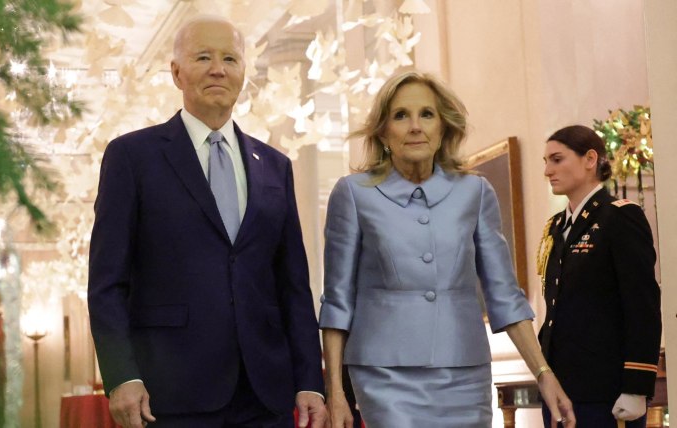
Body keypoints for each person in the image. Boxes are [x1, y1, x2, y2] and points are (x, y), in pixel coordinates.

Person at [88, 15, 326, 428]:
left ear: (243, 72)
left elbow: (293, 286)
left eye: (230, 59)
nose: (218, 69)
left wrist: (310, 381)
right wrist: (121, 374)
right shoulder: (133, 157)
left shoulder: (275, 166)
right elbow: (107, 283)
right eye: (203, 57)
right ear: (176, 73)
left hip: (265, 394)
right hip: (170, 392)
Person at [319, 70, 576, 428]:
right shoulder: (353, 194)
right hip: (385, 374)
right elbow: (337, 300)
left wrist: (543, 373)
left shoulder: (475, 192)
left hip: (464, 372)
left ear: (443, 127)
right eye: (400, 115)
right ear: (383, 132)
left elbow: (504, 294)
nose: (415, 127)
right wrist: (335, 391)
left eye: (427, 114)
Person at [537, 125, 661, 427]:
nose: (548, 171)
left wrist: (636, 386)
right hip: (560, 387)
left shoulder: (619, 216)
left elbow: (642, 305)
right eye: (546, 161)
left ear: (590, 159)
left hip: (605, 390)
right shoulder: (556, 226)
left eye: (557, 159)